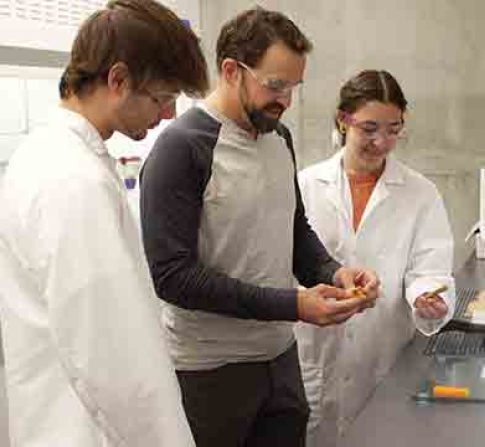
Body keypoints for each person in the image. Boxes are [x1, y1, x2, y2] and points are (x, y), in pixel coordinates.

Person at [139, 7, 380, 447]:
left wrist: (332, 272)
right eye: (275, 85)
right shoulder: (182, 149)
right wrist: (294, 305)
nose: (285, 100)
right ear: (231, 70)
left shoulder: (278, 138)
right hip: (209, 373)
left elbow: (293, 230)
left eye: (293, 87)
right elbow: (173, 277)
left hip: (279, 362)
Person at [0, 1, 209, 446]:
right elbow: (111, 354)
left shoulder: (56, 156)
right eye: (162, 97)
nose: (168, 115)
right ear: (118, 80)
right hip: (86, 431)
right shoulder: (71, 179)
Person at [294, 70, 455, 446]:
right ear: (342, 119)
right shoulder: (304, 185)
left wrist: (426, 296)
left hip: (383, 359)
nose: (382, 142)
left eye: (393, 129)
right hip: (317, 357)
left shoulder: (421, 193)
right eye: (369, 128)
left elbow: (429, 268)